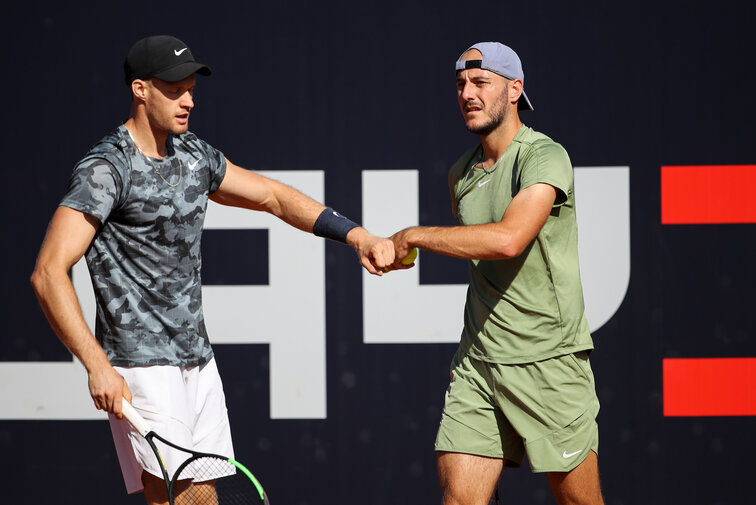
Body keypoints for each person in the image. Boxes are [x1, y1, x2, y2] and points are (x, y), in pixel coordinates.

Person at [30, 34, 395, 504]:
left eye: (191, 89)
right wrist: (97, 365)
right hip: (142, 366)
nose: (188, 100)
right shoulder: (106, 168)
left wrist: (356, 234)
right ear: (140, 90)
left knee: (198, 498)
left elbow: (273, 197)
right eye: (174, 89)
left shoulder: (194, 155)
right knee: (175, 497)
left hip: (196, 359)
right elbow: (48, 272)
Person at [387, 42, 604, 505]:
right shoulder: (461, 174)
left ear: (514, 89)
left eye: (481, 83)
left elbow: (508, 239)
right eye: (462, 84)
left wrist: (415, 236)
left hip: (549, 363)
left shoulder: (544, 156)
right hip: (479, 367)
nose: (468, 93)